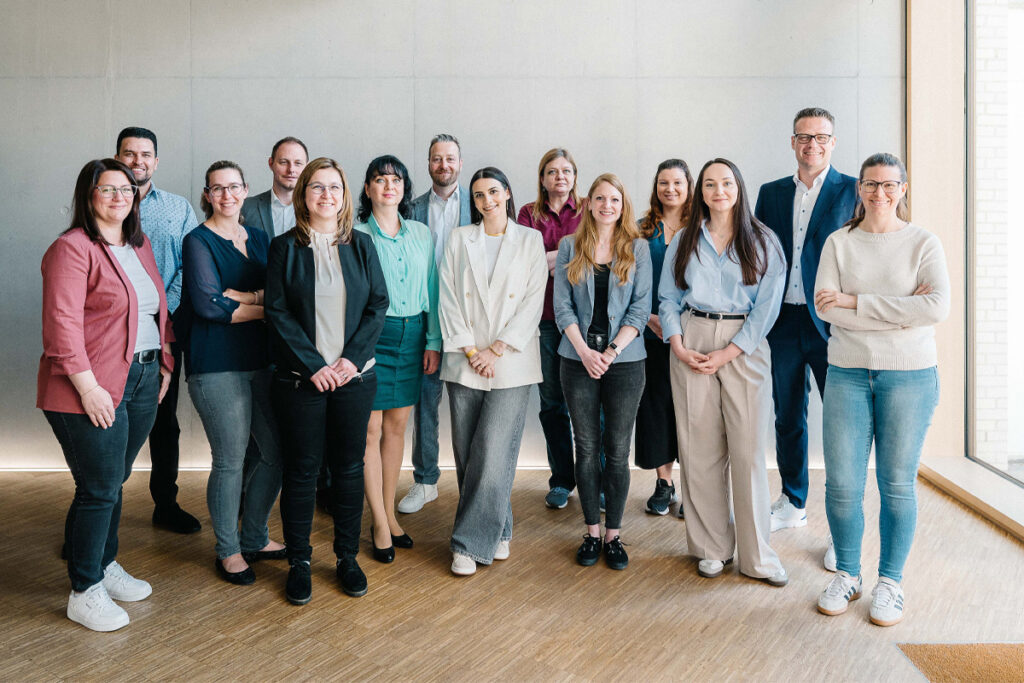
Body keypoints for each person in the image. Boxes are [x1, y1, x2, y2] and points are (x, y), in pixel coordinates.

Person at [813, 153, 949, 626]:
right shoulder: (839, 242)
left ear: (903, 189)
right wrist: (901, 311)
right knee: (842, 484)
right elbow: (826, 308)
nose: (880, 193)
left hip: (910, 376)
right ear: (860, 189)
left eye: (890, 184)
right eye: (871, 184)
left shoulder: (923, 243)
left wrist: (856, 301)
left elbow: (936, 308)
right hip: (847, 372)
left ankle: (890, 583)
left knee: (896, 483)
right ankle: (847, 574)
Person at [40, 158, 173, 631]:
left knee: (114, 480)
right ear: (89, 194)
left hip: (142, 378)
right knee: (98, 487)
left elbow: (154, 309)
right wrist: (89, 388)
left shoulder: (139, 245)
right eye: (108, 188)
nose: (120, 197)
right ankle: (84, 589)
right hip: (90, 385)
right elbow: (62, 326)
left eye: (127, 189)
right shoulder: (72, 248)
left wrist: (164, 363)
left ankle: (103, 562)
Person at [659, 158, 788, 587]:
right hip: (692, 338)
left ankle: (757, 556)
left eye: (727, 183)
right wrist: (677, 343)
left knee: (748, 452)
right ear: (701, 191)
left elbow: (768, 307)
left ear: (739, 187)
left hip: (744, 343)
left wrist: (730, 351)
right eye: (710, 184)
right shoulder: (685, 239)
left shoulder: (763, 239)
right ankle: (710, 548)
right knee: (699, 450)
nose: (719, 191)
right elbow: (667, 296)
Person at [265, 157, 389, 605]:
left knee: (350, 468)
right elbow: (277, 310)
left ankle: (346, 557)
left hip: (355, 378)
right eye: (317, 186)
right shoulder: (284, 247)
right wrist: (314, 365)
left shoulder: (362, 245)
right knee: (301, 471)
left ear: (345, 196)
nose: (326, 195)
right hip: (303, 381)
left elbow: (378, 305)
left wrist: (350, 361)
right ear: (304, 194)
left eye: (334, 187)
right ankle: (299, 561)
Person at [753, 108, 858, 558]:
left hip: (832, 325)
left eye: (820, 137)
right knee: (788, 416)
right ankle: (793, 502)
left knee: (842, 426)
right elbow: (757, 255)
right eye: (803, 136)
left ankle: (842, 527)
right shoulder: (770, 193)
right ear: (792, 142)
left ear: (833, 142)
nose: (811, 144)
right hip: (782, 322)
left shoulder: (853, 190)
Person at [180, 161, 285, 585]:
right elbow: (209, 305)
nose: (226, 195)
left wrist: (247, 299)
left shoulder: (259, 238)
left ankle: (255, 536)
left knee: (275, 453)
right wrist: (269, 310)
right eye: (217, 188)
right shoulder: (197, 241)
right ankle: (228, 550)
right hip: (215, 365)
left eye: (234, 187)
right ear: (207, 195)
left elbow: (280, 292)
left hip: (261, 362)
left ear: (245, 190)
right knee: (231, 460)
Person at [438, 167, 547, 575]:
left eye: (494, 192)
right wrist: (472, 350)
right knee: (468, 452)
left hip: (511, 360)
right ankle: (499, 528)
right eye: (479, 195)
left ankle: (467, 544)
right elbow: (448, 295)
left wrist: (496, 349)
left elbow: (533, 301)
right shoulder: (459, 239)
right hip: (465, 357)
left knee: (495, 448)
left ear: (507, 193)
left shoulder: (530, 240)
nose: (487, 201)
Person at [554, 173, 651, 571]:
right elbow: (562, 306)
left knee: (618, 450)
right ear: (589, 204)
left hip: (625, 362)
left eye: (614, 199)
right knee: (586, 446)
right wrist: (584, 352)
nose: (607, 205)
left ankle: (614, 535)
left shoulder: (638, 248)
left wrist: (609, 352)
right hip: (576, 359)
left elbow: (640, 310)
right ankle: (592, 532)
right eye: (600, 198)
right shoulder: (569, 246)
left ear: (622, 205)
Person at [114, 127, 202, 535]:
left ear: (156, 161)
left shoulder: (178, 207)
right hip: (112, 329)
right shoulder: (105, 202)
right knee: (108, 419)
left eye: (145, 154)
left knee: (164, 419)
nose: (138, 161)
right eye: (129, 154)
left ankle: (165, 504)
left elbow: (191, 265)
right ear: (117, 157)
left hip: (165, 327)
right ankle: (97, 512)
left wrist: (161, 309)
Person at [355, 155, 441, 562]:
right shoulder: (355, 232)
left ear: (405, 188)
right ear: (368, 188)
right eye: (380, 179)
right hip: (373, 335)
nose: (389, 186)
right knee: (370, 430)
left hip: (414, 334)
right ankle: (377, 521)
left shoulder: (421, 233)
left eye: (396, 180)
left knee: (397, 428)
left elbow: (432, 288)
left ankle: (390, 514)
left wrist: (433, 340)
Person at [400, 133, 472, 515]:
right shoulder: (410, 209)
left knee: (466, 410)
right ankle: (425, 481)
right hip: (425, 318)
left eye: (450, 159)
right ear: (428, 164)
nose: (443, 165)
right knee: (425, 404)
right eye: (436, 159)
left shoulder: (479, 204)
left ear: (460, 163)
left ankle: (471, 486)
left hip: (469, 321)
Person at [517, 148, 590, 510]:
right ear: (542, 178)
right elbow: (525, 263)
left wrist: (553, 257)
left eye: (566, 171)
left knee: (591, 406)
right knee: (552, 404)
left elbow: (594, 256)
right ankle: (562, 479)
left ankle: (595, 481)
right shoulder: (527, 214)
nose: (560, 177)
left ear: (574, 176)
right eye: (552, 171)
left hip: (585, 321)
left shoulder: (590, 208)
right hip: (544, 320)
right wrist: (569, 254)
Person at [636, 159, 693, 516]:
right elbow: (627, 280)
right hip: (650, 331)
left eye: (677, 183)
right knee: (656, 407)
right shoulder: (641, 229)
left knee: (692, 410)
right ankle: (664, 483)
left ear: (689, 186)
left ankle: (693, 489)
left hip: (692, 333)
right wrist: (648, 317)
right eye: (663, 183)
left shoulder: (702, 226)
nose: (670, 189)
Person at [243, 136, 309, 239]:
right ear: (271, 163)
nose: (291, 169)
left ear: (307, 167)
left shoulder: (316, 208)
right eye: (284, 162)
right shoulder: (245, 207)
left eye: (298, 163)